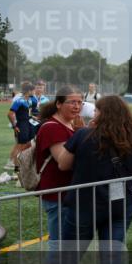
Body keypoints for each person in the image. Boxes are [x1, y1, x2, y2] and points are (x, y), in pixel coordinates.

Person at [56, 96, 132, 263]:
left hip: (84, 203)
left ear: (102, 114)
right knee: (112, 256)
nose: (93, 114)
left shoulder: (83, 134)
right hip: (120, 203)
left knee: (70, 257)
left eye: (96, 111)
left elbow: (63, 164)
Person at [34, 86, 83, 250]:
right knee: (59, 242)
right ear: (59, 104)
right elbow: (64, 162)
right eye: (72, 102)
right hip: (57, 192)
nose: (77, 106)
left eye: (80, 102)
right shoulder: (52, 127)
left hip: (67, 192)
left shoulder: (70, 125)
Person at [7, 82, 37, 168]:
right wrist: (14, 126)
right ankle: (14, 164)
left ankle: (24, 163)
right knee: (20, 145)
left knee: (29, 144)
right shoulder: (19, 101)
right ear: (29, 91)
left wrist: (35, 117)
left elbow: (32, 112)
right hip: (22, 124)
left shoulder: (32, 100)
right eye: (33, 90)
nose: (34, 92)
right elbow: (10, 114)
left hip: (30, 123)